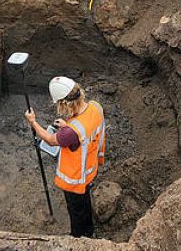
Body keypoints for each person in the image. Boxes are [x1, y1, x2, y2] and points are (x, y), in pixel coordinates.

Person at [24, 76, 106, 238]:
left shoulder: (71, 132)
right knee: (85, 203)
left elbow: (50, 139)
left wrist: (33, 122)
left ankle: (78, 238)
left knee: (76, 211)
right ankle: (89, 230)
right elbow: (84, 128)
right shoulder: (96, 107)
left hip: (76, 180)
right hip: (90, 170)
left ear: (64, 104)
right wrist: (68, 126)